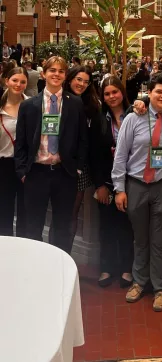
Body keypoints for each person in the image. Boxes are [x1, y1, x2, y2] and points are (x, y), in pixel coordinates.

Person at [112, 73, 162, 312]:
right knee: (140, 238)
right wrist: (119, 188)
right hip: (137, 185)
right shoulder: (133, 118)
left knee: (161, 240)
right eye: (159, 91)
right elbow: (120, 155)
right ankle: (140, 281)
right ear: (149, 92)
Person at [14, 56, 88, 254]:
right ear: (43, 73)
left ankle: (59, 270)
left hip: (65, 173)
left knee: (62, 226)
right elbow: (20, 142)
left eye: (61, 71)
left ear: (65, 76)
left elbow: (82, 138)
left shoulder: (75, 104)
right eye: (52, 70)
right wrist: (22, 171)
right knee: (33, 226)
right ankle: (36, 267)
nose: (56, 74)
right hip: (36, 173)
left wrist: (77, 167)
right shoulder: (29, 105)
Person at [90, 75, 134, 288]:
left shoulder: (135, 115)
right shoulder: (99, 120)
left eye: (115, 92)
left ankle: (127, 268)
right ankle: (107, 267)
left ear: (122, 92)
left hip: (132, 182)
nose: (111, 96)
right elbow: (94, 154)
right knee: (106, 227)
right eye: (107, 94)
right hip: (106, 183)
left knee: (127, 227)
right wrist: (99, 185)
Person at [63, 66, 98, 244]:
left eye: (86, 81)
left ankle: (66, 251)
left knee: (72, 211)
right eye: (79, 79)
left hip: (80, 165)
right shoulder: (57, 99)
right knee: (59, 212)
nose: (82, 84)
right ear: (70, 79)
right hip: (58, 162)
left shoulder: (91, 105)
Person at [0, 67, 28, 237]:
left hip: (26, 165)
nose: (18, 84)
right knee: (4, 212)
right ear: (6, 81)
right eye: (15, 80)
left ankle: (24, 254)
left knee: (26, 211)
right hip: (3, 165)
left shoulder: (32, 105)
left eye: (22, 81)